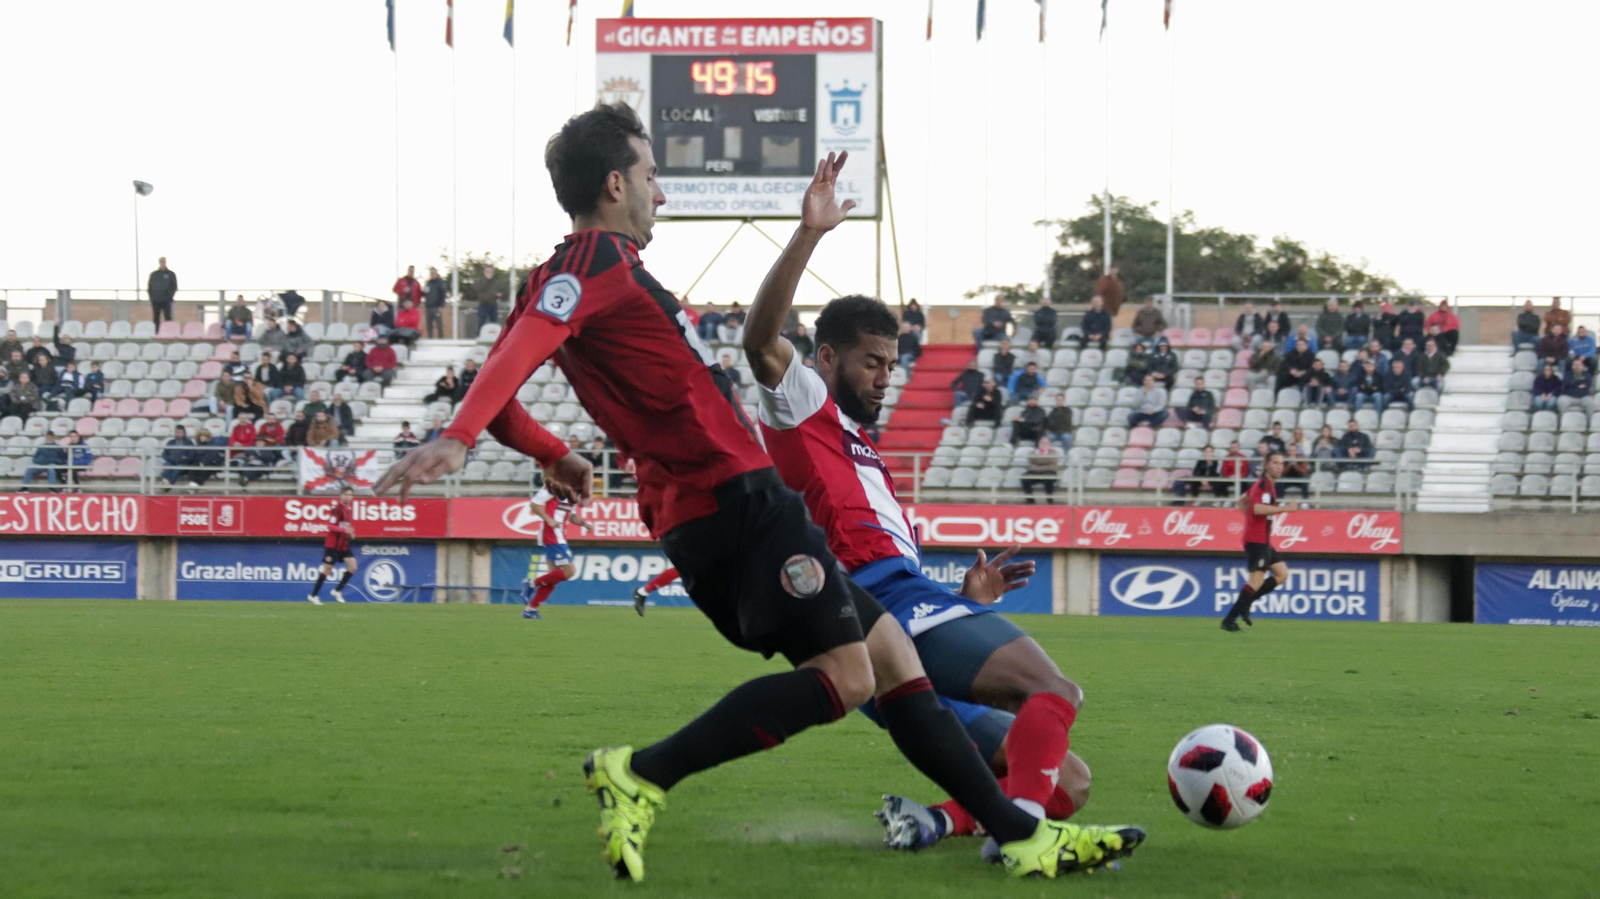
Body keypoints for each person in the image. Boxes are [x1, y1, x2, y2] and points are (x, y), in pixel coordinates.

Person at [374, 116, 1132, 881]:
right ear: (614, 185)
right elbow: (512, 365)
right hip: (731, 499)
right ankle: (642, 772)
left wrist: (553, 452)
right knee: (851, 675)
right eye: (650, 176)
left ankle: (1022, 835)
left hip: (710, 508)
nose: (660, 194)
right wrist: (461, 435)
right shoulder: (600, 258)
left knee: (895, 662)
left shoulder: (556, 276)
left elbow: (507, 373)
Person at [740, 173, 1119, 860]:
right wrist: (810, 233)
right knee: (1055, 688)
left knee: (1071, 777)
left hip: (894, 620)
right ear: (826, 358)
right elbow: (760, 338)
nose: (885, 375)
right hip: (877, 602)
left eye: (891, 363)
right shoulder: (803, 409)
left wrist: (962, 601)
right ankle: (1026, 838)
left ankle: (935, 821)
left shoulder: (860, 448)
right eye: (871, 362)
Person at [1221, 451, 1297, 631]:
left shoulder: (1264, 485)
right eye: (1275, 463)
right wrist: (1285, 508)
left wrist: (1251, 521)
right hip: (1257, 540)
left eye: (1281, 463)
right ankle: (1229, 620)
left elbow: (1241, 501)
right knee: (1255, 581)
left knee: (1282, 574)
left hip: (1262, 539)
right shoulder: (1263, 485)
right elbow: (1256, 508)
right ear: (1266, 465)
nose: (1279, 466)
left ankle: (1246, 603)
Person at [518, 484, 594, 619]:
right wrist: (549, 520)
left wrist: (583, 523)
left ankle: (530, 609)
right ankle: (531, 583)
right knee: (569, 571)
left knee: (552, 578)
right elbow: (534, 505)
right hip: (552, 534)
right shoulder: (554, 488)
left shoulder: (572, 497)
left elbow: (571, 516)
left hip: (560, 535)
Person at [308, 486, 358, 604]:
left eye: (350, 494)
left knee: (353, 566)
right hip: (333, 545)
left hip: (343, 545)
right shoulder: (337, 509)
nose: (347, 496)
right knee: (327, 569)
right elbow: (330, 526)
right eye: (345, 494)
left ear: (352, 497)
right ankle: (313, 595)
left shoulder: (348, 510)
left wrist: (350, 533)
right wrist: (344, 530)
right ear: (341, 496)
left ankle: (337, 590)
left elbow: (345, 526)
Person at [1019, 436, 1061, 504]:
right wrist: (1045, 461)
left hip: (1049, 472)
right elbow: (1031, 462)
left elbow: (1052, 461)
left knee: (1049, 477)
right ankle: (1030, 501)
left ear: (1049, 444)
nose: (1043, 444)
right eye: (1042, 442)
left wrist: (1038, 462)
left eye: (1045, 442)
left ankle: (1050, 500)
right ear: (1038, 443)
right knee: (1024, 477)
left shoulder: (1053, 452)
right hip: (1035, 472)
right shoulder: (1033, 452)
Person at [473, 264, 503, 333]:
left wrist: (499, 295)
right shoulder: (481, 281)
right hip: (483, 304)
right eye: (488, 272)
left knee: (494, 322)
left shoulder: (495, 282)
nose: (489, 273)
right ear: (485, 272)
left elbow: (501, 290)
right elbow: (479, 289)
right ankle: (479, 336)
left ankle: (495, 337)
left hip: (493, 305)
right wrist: (487, 280)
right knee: (481, 322)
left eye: (491, 272)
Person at [147, 257, 177, 325]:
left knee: (168, 317)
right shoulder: (154, 274)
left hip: (166, 300)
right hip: (156, 300)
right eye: (161, 261)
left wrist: (169, 297)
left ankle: (169, 333)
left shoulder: (171, 274)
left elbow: (174, 286)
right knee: (156, 318)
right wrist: (152, 297)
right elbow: (149, 287)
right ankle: (157, 333)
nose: (162, 263)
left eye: (163, 261)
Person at [424, 266, 450, 339]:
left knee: (439, 324)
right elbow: (426, 294)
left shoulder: (441, 283)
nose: (432, 274)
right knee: (429, 325)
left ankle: (441, 339)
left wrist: (441, 306)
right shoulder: (428, 283)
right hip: (429, 307)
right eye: (431, 273)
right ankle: (430, 338)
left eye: (434, 273)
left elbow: (443, 294)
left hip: (437, 307)